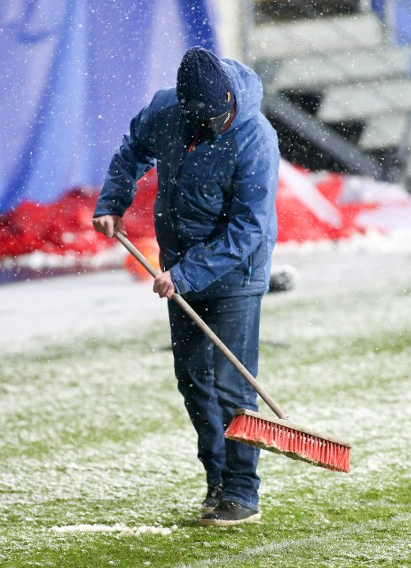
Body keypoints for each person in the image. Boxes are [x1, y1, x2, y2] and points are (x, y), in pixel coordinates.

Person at [92, 46, 280, 526]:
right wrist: (113, 200)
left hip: (238, 273)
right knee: (194, 381)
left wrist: (187, 274)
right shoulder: (166, 112)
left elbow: (247, 228)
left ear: (229, 102)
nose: (210, 128)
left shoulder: (255, 138)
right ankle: (217, 481)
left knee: (234, 387)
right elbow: (133, 149)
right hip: (177, 268)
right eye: (200, 120)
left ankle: (243, 492)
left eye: (217, 118)